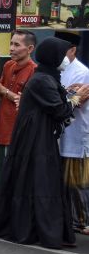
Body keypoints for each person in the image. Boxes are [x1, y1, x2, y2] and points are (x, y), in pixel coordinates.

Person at [0, 37, 89, 249]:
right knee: (40, 180)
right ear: (53, 56)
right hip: (35, 139)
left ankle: (37, 226)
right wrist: (77, 98)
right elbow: (59, 110)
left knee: (37, 180)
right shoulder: (42, 79)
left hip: (39, 136)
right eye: (62, 54)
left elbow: (54, 99)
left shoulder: (47, 76)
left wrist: (68, 93)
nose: (66, 59)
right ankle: (34, 228)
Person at [0, 30, 37, 191]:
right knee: (0, 174)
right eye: (11, 44)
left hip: (18, 130)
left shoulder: (34, 71)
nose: (12, 48)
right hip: (3, 126)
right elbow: (2, 93)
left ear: (30, 49)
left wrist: (2, 89)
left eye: (17, 45)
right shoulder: (8, 65)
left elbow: (27, 103)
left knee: (14, 176)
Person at [55, 31, 89, 236]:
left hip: (76, 132)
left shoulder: (81, 72)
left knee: (77, 180)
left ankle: (82, 220)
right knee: (62, 179)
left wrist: (67, 94)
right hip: (60, 131)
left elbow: (78, 101)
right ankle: (67, 217)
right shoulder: (57, 68)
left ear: (72, 50)